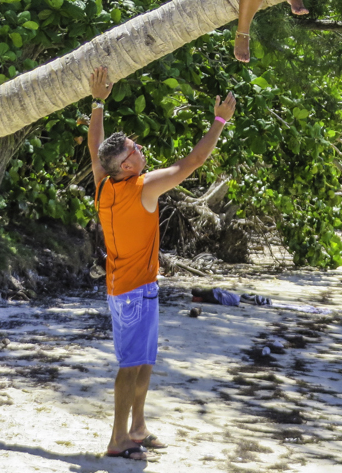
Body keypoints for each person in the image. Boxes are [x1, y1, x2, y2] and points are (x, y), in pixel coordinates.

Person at [86, 66, 236, 460]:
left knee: (144, 361)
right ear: (127, 168)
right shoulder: (142, 187)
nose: (138, 150)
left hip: (138, 287)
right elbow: (193, 161)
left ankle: (137, 427)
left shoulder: (104, 182)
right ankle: (117, 440)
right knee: (130, 365)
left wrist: (98, 102)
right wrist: (219, 120)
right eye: (133, 151)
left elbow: (96, 143)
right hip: (131, 292)